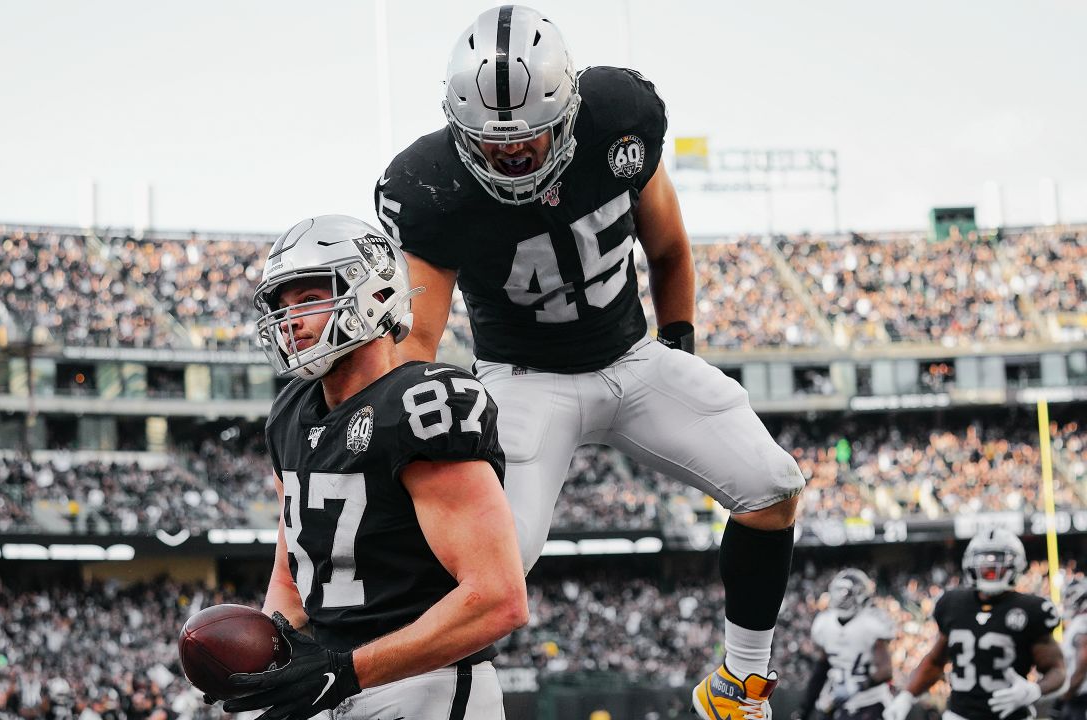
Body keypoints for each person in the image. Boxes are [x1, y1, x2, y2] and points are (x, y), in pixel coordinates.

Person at [374, 5, 806, 716]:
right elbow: (418, 339)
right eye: (492, 142)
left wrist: (679, 350)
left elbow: (667, 249)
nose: (512, 155)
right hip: (523, 380)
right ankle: (405, 700)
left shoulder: (619, 118)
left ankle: (738, 684)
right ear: (459, 128)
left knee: (772, 485)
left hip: (632, 359)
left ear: (570, 111)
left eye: (530, 136)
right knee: (495, 561)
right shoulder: (431, 187)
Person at [210, 215, 528, 720]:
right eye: (282, 306)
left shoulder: (425, 403)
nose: (290, 321)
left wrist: (346, 670)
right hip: (339, 686)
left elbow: (498, 598)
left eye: (309, 299)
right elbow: (292, 580)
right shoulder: (289, 414)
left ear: (375, 294)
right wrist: (262, 662)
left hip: (428, 684)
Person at [885, 528, 1065, 720]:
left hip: (1011, 716)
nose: (990, 567)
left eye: (998, 560)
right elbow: (936, 662)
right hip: (960, 715)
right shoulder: (953, 603)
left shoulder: (1031, 609)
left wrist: (1035, 690)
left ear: (1016, 564)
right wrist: (907, 695)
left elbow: (1057, 669)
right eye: (984, 560)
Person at [798, 569, 895, 720]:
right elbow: (822, 668)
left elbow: (885, 671)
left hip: (870, 702)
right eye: (840, 592)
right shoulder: (825, 623)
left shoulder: (873, 621)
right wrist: (805, 709)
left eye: (847, 593)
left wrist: (857, 686)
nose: (842, 598)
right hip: (837, 702)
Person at [1057, 577, 1087, 720]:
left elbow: (1083, 663)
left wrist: (1066, 695)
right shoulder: (1078, 622)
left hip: (1080, 697)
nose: (1067, 600)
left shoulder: (1082, 623)